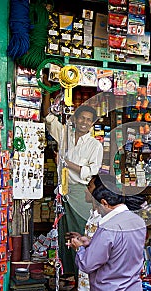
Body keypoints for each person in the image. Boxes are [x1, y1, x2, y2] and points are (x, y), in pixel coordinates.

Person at [43, 88, 103, 275]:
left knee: (79, 232)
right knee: (63, 235)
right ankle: (69, 275)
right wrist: (46, 90)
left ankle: (82, 278)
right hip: (62, 191)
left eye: (88, 120)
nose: (84, 122)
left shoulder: (95, 145)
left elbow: (92, 171)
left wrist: (69, 164)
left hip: (79, 192)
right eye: (81, 118)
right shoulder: (65, 134)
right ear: (75, 119)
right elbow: (48, 117)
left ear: (92, 123)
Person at [68, 175, 147, 291]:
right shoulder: (138, 222)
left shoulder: (108, 228)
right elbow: (121, 250)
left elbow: (87, 264)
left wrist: (79, 248)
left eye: (97, 206)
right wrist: (91, 243)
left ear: (104, 203)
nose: (97, 211)